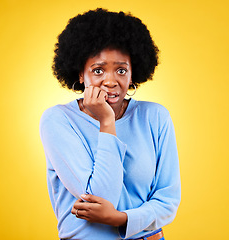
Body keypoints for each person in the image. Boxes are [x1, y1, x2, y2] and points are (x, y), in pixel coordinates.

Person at [40, 8, 181, 240]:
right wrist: (107, 121)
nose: (110, 81)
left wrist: (120, 219)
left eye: (121, 70)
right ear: (80, 74)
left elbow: (168, 200)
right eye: (98, 70)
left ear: (133, 73)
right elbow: (100, 196)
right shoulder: (58, 120)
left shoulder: (155, 116)